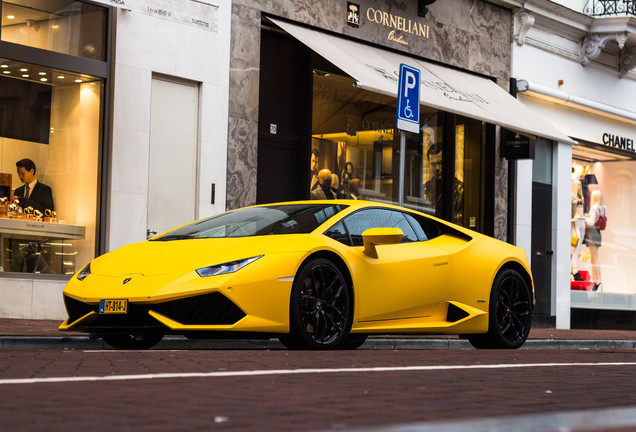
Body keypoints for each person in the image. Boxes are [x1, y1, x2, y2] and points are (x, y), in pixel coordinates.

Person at [423, 144, 463, 223]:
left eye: (440, 163)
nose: (437, 168)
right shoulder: (424, 188)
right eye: (433, 164)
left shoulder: (460, 190)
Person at [584, 190, 606, 291]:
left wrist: (585, 218)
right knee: (595, 258)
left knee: (594, 259)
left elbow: (591, 222)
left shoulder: (593, 208)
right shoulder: (603, 208)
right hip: (598, 233)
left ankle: (596, 281)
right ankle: (598, 280)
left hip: (592, 234)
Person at [571, 167, 585, 277]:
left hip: (582, 221)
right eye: (578, 185)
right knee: (575, 246)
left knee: (579, 247)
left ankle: (575, 269)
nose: (580, 186)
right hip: (575, 221)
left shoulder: (581, 197)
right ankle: (574, 270)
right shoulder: (572, 198)